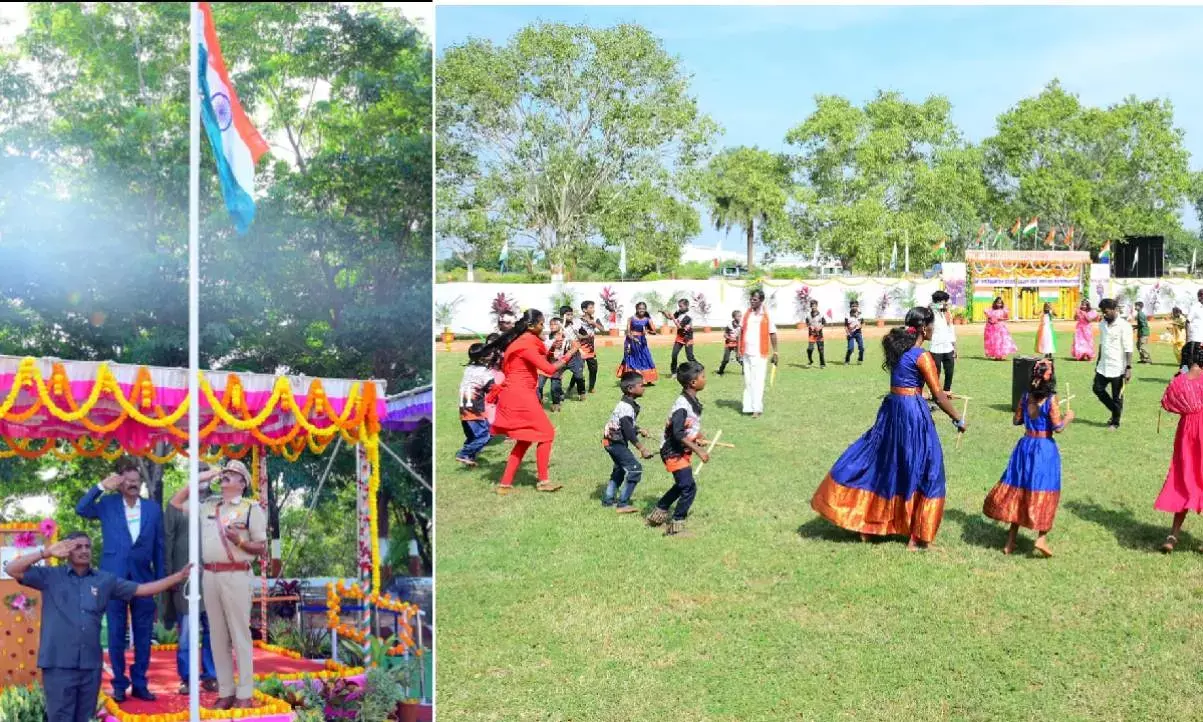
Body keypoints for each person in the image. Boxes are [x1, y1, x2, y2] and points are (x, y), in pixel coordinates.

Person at [810, 307, 967, 550]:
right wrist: (957, 418)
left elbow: (906, 385)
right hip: (912, 416)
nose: (934, 329)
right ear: (923, 328)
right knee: (925, 466)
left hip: (892, 411)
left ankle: (870, 526)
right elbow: (938, 396)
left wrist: (925, 394)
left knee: (886, 463)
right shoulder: (922, 356)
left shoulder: (899, 351)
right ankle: (916, 536)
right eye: (932, 325)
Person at [4, 532, 190, 722]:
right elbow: (11, 569)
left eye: (87, 546)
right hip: (58, 665)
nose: (84, 550)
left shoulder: (104, 580)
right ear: (67, 550)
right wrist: (46, 553)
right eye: (78, 547)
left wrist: (178, 577)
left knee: (86, 718)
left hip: (90, 666)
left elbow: (142, 590)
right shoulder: (50, 576)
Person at [171, 460, 267, 710]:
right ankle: (226, 691)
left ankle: (244, 693)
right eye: (224, 473)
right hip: (210, 576)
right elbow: (176, 502)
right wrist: (202, 477)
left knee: (240, 635)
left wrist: (241, 542)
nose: (225, 476)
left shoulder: (250, 508)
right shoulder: (208, 506)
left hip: (237, 575)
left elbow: (261, 546)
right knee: (217, 636)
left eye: (232, 474)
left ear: (242, 483)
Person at [75, 456, 165, 703]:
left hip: (144, 580)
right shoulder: (107, 504)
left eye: (136, 481)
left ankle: (140, 684)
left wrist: (160, 583)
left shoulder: (152, 509)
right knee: (116, 633)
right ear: (119, 484)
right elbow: (81, 508)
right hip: (112, 579)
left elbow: (159, 547)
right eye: (128, 481)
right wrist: (101, 487)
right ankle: (118, 684)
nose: (133, 484)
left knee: (144, 635)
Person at [982, 358, 1074, 557]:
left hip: (1025, 446)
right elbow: (1058, 427)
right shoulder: (1051, 399)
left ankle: (1010, 542)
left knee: (1020, 490)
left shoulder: (1025, 397)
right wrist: (1068, 418)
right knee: (1046, 490)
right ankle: (1041, 538)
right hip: (1044, 449)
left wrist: (1028, 412)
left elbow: (1017, 420)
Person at [485, 308, 581, 495]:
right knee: (547, 433)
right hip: (519, 395)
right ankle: (543, 481)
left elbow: (539, 359)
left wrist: (553, 348)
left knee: (525, 439)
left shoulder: (523, 341)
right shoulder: (526, 344)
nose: (543, 327)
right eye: (541, 324)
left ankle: (505, 484)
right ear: (530, 325)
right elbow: (549, 369)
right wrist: (572, 351)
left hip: (517, 393)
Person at [162, 466, 219, 696]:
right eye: (198, 471)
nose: (203, 476)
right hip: (185, 580)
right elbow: (167, 540)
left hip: (212, 579)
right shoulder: (179, 505)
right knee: (186, 632)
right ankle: (187, 677)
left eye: (206, 472)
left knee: (213, 631)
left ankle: (211, 676)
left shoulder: (217, 503)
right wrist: (171, 577)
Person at [645, 362, 709, 537]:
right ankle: (676, 525)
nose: (705, 379)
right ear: (693, 383)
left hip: (679, 449)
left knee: (682, 485)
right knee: (689, 488)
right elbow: (678, 433)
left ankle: (658, 514)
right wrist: (698, 450)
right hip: (672, 450)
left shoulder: (691, 401)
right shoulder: (682, 405)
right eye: (703, 377)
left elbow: (689, 427)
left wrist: (698, 436)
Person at [1154, 342, 1203, 553]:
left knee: (1184, 477)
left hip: (1186, 433)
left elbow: (1166, 403)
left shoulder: (1179, 381)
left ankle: (1173, 535)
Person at [601, 371, 656, 512]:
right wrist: (642, 448)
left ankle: (608, 500)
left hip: (610, 441)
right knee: (635, 469)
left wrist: (639, 429)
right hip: (615, 443)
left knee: (619, 469)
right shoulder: (626, 407)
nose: (644, 387)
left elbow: (625, 424)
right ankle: (623, 504)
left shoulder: (626, 404)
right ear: (631, 389)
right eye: (641, 385)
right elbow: (628, 431)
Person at [1093, 298, 1133, 431]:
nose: (1104, 314)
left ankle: (1115, 422)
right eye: (1102, 312)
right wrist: (1098, 361)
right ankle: (1115, 410)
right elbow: (1101, 344)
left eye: (1106, 311)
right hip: (1103, 365)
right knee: (1097, 389)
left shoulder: (1124, 326)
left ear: (1115, 310)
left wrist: (1128, 368)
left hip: (1118, 367)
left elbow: (1128, 348)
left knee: (1117, 397)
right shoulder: (1102, 324)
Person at [740, 290, 779, 418]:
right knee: (748, 380)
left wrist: (775, 352)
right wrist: (739, 350)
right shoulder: (747, 314)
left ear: (761, 301)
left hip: (759, 353)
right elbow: (742, 331)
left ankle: (757, 408)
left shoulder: (767, 315)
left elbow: (772, 333)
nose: (752, 301)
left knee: (758, 381)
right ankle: (748, 407)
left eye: (755, 299)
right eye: (751, 299)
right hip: (746, 352)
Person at [456, 343, 496, 468]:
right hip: (474, 408)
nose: (492, 354)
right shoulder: (485, 373)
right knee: (485, 436)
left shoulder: (469, 368)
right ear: (483, 357)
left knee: (473, 436)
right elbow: (492, 390)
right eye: (489, 353)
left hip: (463, 407)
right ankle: (464, 454)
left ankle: (469, 457)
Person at [617, 302, 659, 384]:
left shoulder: (648, 319)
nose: (641, 310)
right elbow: (628, 332)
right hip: (630, 342)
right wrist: (634, 339)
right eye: (640, 308)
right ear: (636, 309)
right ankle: (632, 378)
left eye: (643, 309)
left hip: (642, 342)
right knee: (631, 359)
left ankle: (647, 378)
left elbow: (654, 332)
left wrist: (647, 331)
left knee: (645, 358)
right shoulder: (631, 319)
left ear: (645, 309)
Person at [536, 316, 571, 412]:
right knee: (539, 386)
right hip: (544, 365)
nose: (552, 326)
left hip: (557, 367)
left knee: (554, 387)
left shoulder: (565, 338)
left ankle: (556, 402)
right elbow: (545, 350)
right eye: (551, 324)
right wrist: (553, 346)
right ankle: (538, 401)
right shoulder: (546, 337)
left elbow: (568, 352)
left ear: (561, 326)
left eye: (555, 324)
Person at [577, 300, 607, 394]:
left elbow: (603, 330)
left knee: (594, 369)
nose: (593, 309)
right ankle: (573, 387)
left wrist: (593, 323)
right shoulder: (578, 320)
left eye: (593, 307)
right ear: (584, 310)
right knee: (578, 371)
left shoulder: (596, 319)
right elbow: (576, 334)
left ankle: (591, 387)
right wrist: (584, 336)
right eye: (591, 307)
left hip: (591, 349)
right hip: (580, 349)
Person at [929, 291, 956, 393]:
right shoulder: (931, 313)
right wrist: (937, 307)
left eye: (946, 301)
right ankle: (935, 392)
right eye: (944, 301)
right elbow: (931, 307)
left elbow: (951, 329)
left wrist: (954, 346)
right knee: (936, 371)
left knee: (949, 370)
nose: (946, 303)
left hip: (948, 346)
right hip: (936, 347)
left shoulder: (947, 313)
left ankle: (947, 390)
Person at [559, 305, 587, 400]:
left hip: (575, 355)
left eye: (571, 314)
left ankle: (581, 393)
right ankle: (559, 393)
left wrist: (582, 337)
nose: (570, 316)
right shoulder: (558, 326)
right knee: (557, 376)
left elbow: (583, 335)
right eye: (568, 315)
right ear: (562, 316)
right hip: (561, 355)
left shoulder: (575, 325)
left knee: (579, 375)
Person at [669, 297, 697, 375]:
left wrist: (673, 318)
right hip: (679, 337)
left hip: (688, 338)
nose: (679, 308)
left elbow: (680, 327)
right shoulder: (679, 311)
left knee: (690, 357)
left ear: (686, 306)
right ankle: (674, 373)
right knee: (674, 355)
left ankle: (699, 368)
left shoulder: (689, 315)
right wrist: (664, 313)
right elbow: (671, 317)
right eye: (679, 306)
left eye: (681, 306)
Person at [717, 310, 743, 376]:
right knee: (726, 359)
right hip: (728, 344)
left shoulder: (742, 326)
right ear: (733, 317)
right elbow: (725, 334)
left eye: (740, 316)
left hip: (737, 344)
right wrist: (729, 338)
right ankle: (720, 371)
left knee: (739, 358)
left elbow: (743, 335)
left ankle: (745, 371)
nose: (739, 318)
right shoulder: (729, 325)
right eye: (738, 316)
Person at [805, 299, 826, 368]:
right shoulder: (808, 315)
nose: (813, 307)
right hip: (811, 334)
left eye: (815, 306)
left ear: (817, 306)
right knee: (810, 349)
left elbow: (824, 323)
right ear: (810, 306)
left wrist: (819, 328)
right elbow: (807, 323)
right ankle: (810, 361)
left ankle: (822, 364)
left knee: (820, 349)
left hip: (819, 334)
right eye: (812, 306)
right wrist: (810, 327)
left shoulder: (821, 314)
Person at [845, 300, 865, 365]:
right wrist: (848, 333)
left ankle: (860, 359)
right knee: (850, 349)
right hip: (850, 333)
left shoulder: (860, 314)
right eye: (852, 306)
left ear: (858, 306)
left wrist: (860, 326)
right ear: (850, 307)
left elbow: (863, 323)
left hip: (858, 333)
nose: (854, 307)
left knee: (861, 348)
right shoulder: (847, 315)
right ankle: (847, 360)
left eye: (855, 306)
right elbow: (845, 326)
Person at [1170, 308, 1187, 372]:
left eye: (1174, 312)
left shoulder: (1182, 318)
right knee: (1176, 351)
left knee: (1181, 352)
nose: (1173, 314)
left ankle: (1185, 367)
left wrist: (1176, 324)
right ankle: (1182, 364)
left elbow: (1184, 325)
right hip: (1177, 337)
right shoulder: (1175, 318)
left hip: (1182, 337)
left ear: (1177, 312)